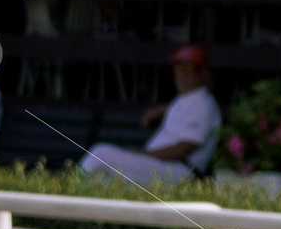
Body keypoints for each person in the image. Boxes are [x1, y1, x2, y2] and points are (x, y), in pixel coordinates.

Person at [82, 44, 220, 184]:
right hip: (161, 166)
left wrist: (143, 155)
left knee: (100, 154)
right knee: (103, 179)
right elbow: (182, 109)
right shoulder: (185, 99)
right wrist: (160, 110)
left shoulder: (203, 104)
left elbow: (183, 149)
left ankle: (67, 186)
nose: (182, 74)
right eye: (178, 68)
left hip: (179, 171)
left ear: (203, 74)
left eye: (189, 69)